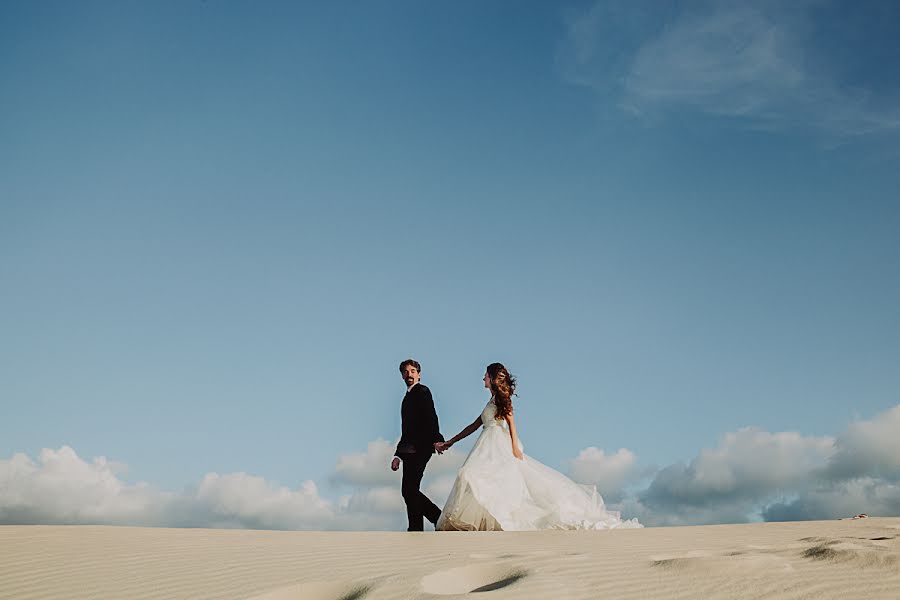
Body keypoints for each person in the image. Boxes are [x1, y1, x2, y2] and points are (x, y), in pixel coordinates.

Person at [434, 362, 641, 531]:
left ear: (492, 377)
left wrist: (515, 447)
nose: (483, 379)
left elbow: (512, 422)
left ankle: (495, 522)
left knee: (474, 475)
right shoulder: (491, 400)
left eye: (485, 376)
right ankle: (484, 522)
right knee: (475, 477)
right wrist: (451, 442)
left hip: (498, 443)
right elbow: (473, 425)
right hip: (486, 443)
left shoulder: (501, 398)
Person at [390, 359, 445, 531]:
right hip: (409, 450)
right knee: (409, 490)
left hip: (421, 448)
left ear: (419, 374)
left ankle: (437, 518)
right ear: (402, 376)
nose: (409, 374)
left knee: (409, 490)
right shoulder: (406, 399)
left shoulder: (422, 391)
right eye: (405, 372)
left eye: (412, 371)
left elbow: (431, 415)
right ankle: (416, 528)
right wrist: (398, 455)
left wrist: (436, 438)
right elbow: (406, 430)